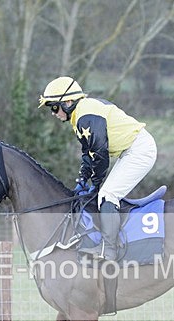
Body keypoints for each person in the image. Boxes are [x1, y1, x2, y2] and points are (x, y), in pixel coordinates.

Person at [38, 76, 157, 261]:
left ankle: (109, 250)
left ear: (68, 102)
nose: (53, 112)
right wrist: (82, 180)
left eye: (54, 106)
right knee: (103, 194)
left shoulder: (86, 116)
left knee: (107, 195)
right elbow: (89, 154)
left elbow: (100, 155)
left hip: (139, 149)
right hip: (130, 150)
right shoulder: (80, 115)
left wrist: (96, 183)